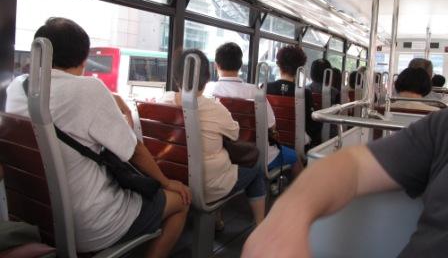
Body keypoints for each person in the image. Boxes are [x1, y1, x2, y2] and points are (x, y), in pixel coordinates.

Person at [5, 18, 190, 258]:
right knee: (181, 201)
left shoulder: (18, 87)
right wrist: (167, 182)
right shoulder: (89, 89)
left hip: (35, 216)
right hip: (90, 225)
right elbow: (133, 151)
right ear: (84, 58)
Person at [242, 108, 448, 258]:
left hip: (249, 158)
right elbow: (355, 164)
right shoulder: (441, 128)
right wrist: (288, 216)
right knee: (295, 155)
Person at [158, 48, 266, 225]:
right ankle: (260, 224)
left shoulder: (163, 101)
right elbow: (234, 133)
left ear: (176, 77)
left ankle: (217, 219)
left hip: (171, 177)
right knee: (255, 172)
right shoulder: (216, 109)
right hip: (207, 185)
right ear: (207, 78)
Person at [204, 42, 303, 176]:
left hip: (221, 151)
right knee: (294, 157)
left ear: (216, 65)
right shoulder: (255, 92)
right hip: (254, 153)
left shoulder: (208, 90)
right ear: (240, 65)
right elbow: (272, 126)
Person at [266, 45, 321, 146]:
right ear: (299, 68)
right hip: (296, 143)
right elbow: (312, 125)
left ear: (278, 64)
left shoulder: (265, 88)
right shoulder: (305, 93)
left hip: (270, 140)